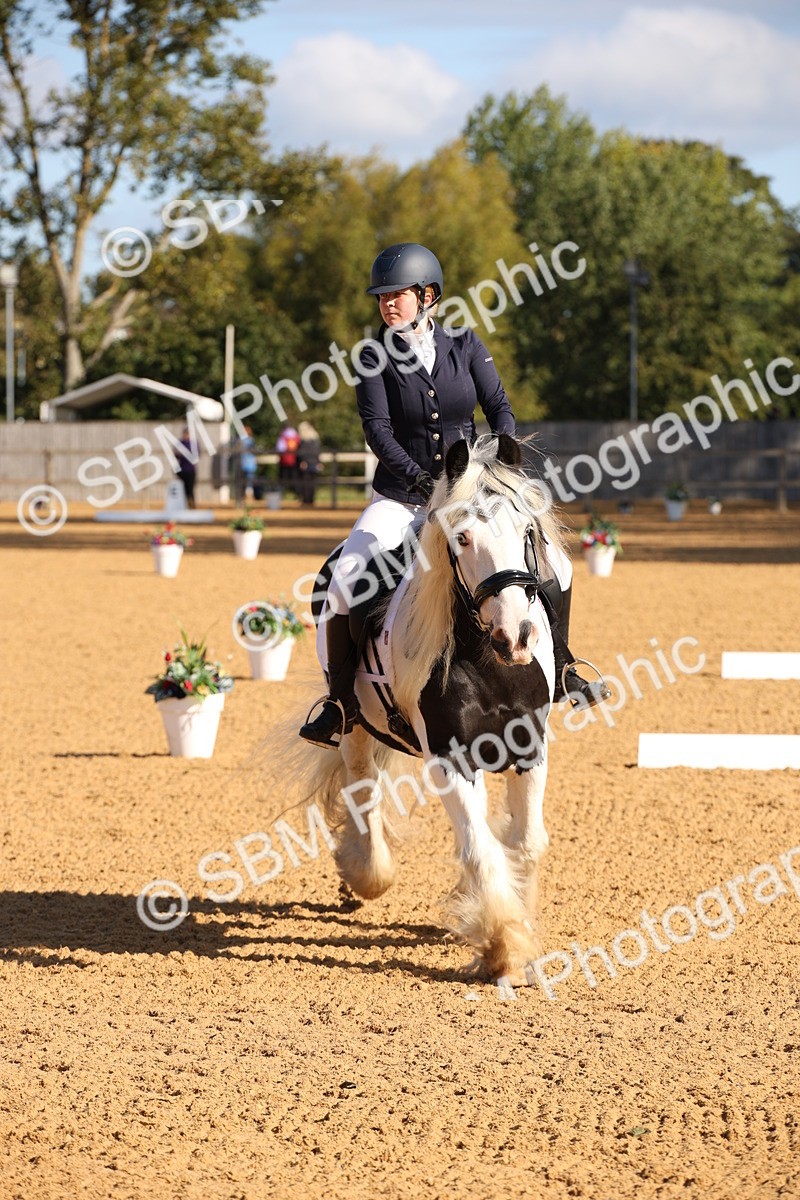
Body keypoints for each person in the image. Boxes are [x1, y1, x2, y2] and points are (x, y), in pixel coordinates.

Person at [299, 242, 605, 749]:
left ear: (428, 295)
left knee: (560, 565)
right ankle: (340, 702)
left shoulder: (464, 343)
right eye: (382, 297)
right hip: (403, 499)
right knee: (348, 576)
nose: (387, 304)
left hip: (471, 495)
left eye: (397, 294)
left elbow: (498, 405)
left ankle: (565, 666)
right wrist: (421, 479)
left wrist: (501, 457)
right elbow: (378, 430)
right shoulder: (373, 356)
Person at [297, 420, 322, 505]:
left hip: (307, 463)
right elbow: (317, 452)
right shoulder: (315, 439)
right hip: (314, 462)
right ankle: (311, 500)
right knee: (313, 482)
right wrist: (318, 462)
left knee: (306, 482)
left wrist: (303, 461)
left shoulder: (304, 440)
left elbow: (302, 452)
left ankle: (306, 500)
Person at [276, 422, 301, 495]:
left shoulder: (283, 436)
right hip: (294, 460)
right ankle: (298, 494)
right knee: (295, 478)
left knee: (283, 479)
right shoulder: (296, 436)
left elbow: (280, 448)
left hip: (284, 460)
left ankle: (280, 494)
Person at [175, 426, 197, 509]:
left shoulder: (193, 444)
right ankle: (183, 505)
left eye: (188, 433)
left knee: (190, 489)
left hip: (191, 470)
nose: (186, 435)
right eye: (185, 433)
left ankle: (192, 505)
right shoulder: (180, 443)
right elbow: (176, 454)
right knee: (183, 489)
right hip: (182, 470)